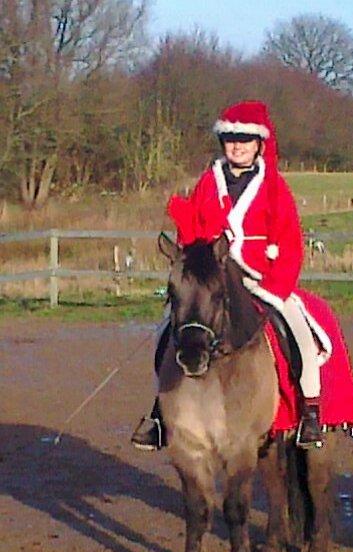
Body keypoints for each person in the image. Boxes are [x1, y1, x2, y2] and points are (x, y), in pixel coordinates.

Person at [131, 100, 327, 451]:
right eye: (230, 139)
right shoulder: (208, 181)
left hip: (259, 277)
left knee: (299, 328)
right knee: (168, 328)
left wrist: (275, 287)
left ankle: (310, 411)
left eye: (245, 140)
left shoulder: (275, 187)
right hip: (213, 277)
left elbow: (290, 241)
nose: (237, 146)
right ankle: (161, 412)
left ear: (259, 145)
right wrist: (190, 265)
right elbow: (191, 232)